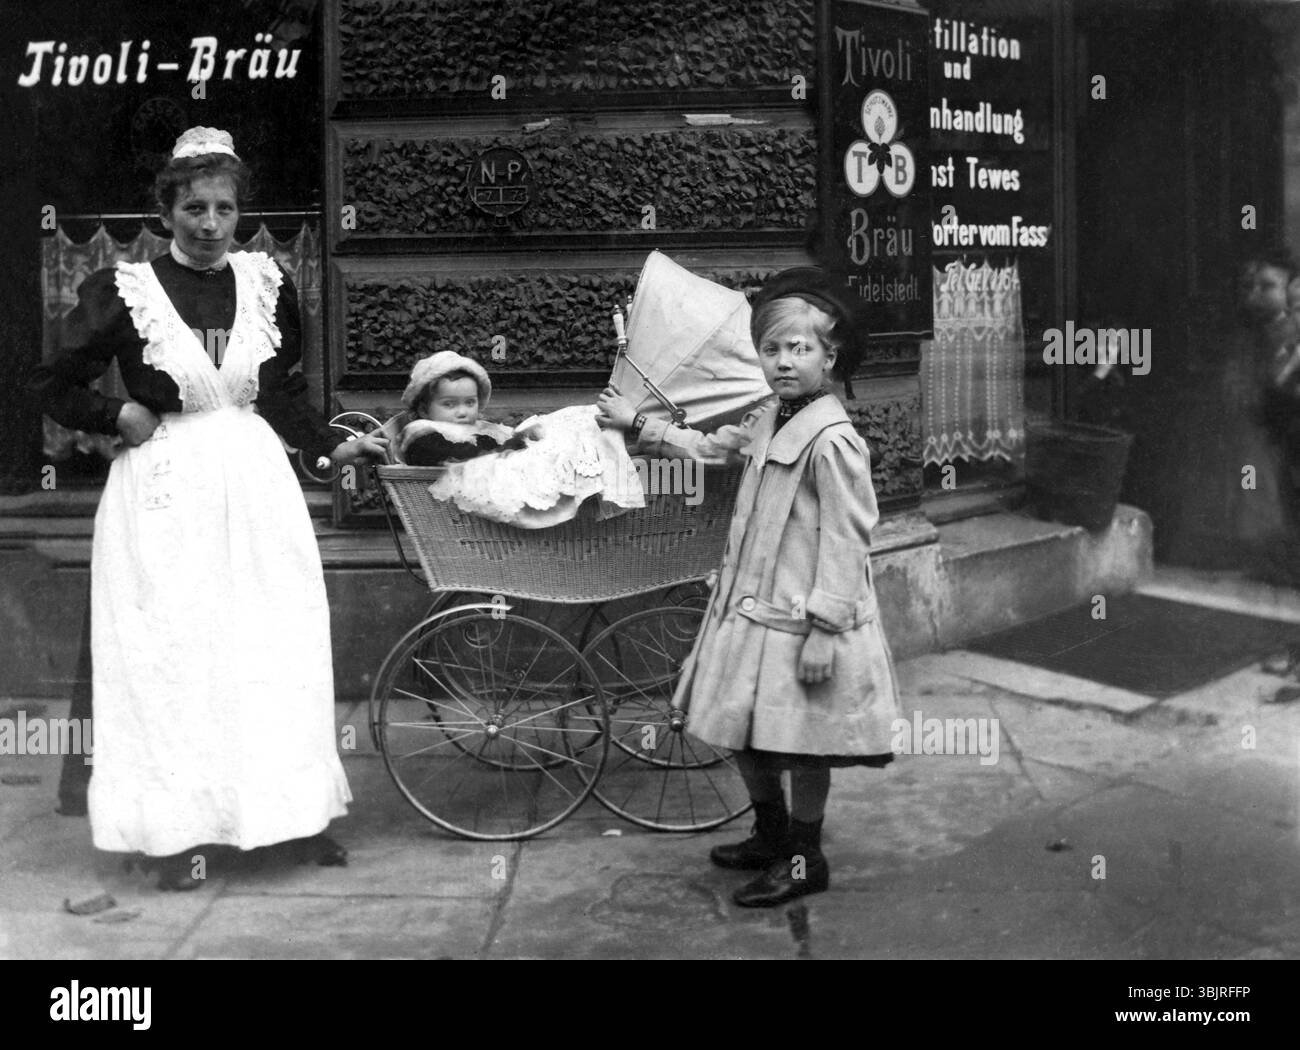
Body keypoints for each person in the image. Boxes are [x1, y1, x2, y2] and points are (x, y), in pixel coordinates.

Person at [26, 127, 387, 890]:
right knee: (176, 658)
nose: (211, 223)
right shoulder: (124, 291)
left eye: (224, 207)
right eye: (195, 206)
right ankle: (179, 833)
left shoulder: (267, 284)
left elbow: (282, 390)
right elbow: (49, 382)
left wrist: (328, 451)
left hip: (255, 485)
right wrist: (111, 415)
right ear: (166, 210)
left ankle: (285, 821)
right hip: (165, 490)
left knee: (269, 647)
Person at [596, 267, 901, 907]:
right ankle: (769, 833)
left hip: (804, 620)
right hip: (752, 610)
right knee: (744, 730)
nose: (785, 362)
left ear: (830, 355)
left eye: (801, 349)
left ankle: (804, 857)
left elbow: (848, 540)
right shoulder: (768, 417)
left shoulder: (833, 440)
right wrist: (640, 425)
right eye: (772, 349)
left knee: (805, 741)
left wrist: (825, 626)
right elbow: (710, 450)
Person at [396, 351, 524, 466]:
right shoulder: (421, 434)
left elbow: (492, 440)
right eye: (449, 404)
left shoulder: (475, 428)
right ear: (424, 410)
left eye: (470, 402)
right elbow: (452, 454)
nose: (463, 412)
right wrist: (500, 452)